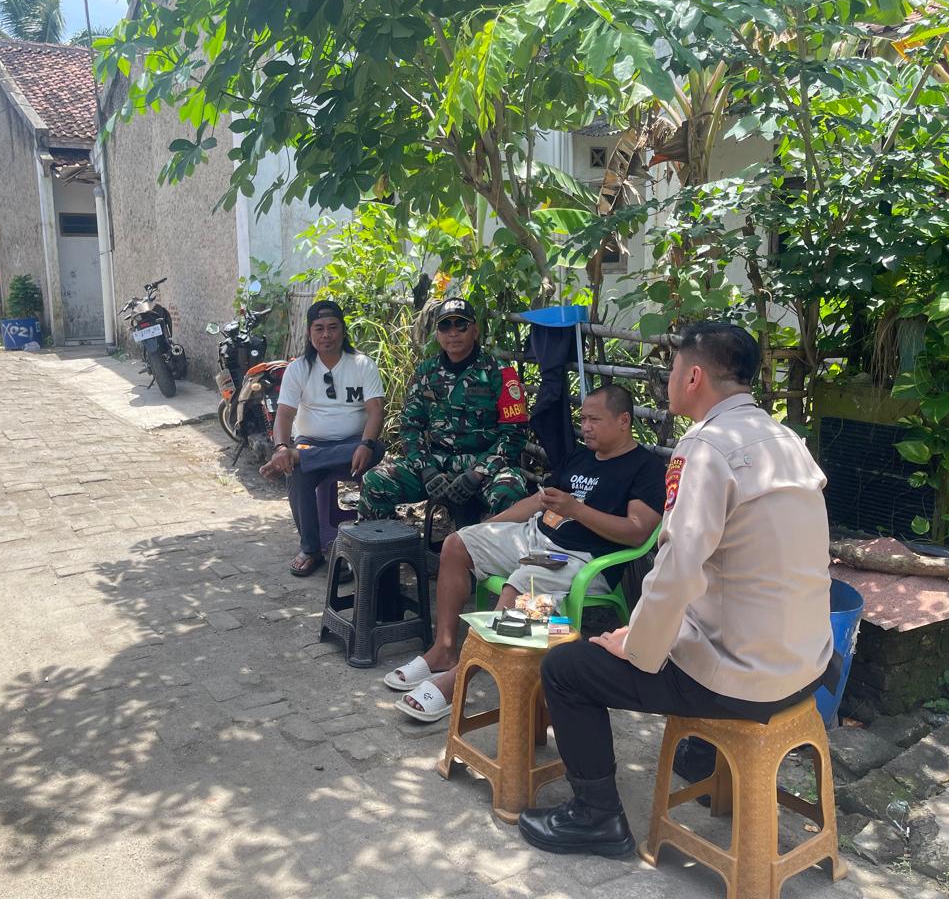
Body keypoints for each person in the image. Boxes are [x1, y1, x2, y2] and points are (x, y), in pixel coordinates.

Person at [516, 321, 836, 858]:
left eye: (671, 369)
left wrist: (637, 645)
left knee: (567, 669)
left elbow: (678, 568)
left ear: (693, 377)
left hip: (741, 679)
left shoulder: (706, 447)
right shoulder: (788, 441)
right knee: (680, 635)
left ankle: (596, 817)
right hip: (808, 665)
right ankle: (704, 759)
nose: (667, 379)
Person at [385, 384, 666, 723]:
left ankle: (457, 680)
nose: (585, 427)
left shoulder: (645, 468)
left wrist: (576, 510)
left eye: (594, 420)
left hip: (580, 558)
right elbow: (538, 502)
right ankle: (443, 649)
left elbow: (638, 531)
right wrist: (488, 529)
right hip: (534, 535)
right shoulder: (581, 457)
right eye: (583, 419)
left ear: (623, 421)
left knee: (518, 587)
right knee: (457, 544)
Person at [358, 297, 530, 521]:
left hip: (486, 468)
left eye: (461, 325)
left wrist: (479, 472)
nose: (453, 333)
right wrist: (426, 469)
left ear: (475, 330)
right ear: (437, 334)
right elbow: (410, 428)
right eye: (445, 326)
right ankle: (384, 541)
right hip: (436, 466)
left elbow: (514, 434)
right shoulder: (425, 372)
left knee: (510, 493)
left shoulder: (500, 373)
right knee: (375, 481)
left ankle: (492, 545)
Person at [262, 299, 385, 576]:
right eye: (319, 328)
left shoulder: (362, 364)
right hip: (311, 443)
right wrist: (281, 448)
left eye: (332, 327)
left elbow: (376, 410)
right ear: (309, 333)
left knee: (377, 449)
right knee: (297, 473)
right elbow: (284, 415)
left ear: (343, 330)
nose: (326, 334)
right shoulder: (298, 369)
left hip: (354, 445)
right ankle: (311, 550)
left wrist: (366, 443)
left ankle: (301, 457)